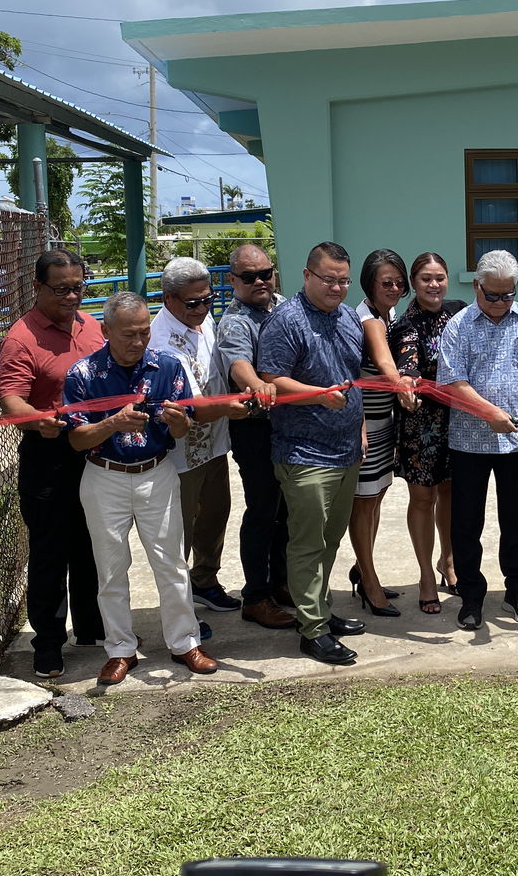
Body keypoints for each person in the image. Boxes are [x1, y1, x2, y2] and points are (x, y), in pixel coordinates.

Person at [65, 292, 218, 686]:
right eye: (129, 334)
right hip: (104, 476)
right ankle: (120, 649)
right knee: (111, 567)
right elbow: (77, 439)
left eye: (145, 332)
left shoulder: (167, 366)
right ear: (105, 331)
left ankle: (185, 642)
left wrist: (177, 421)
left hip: (157, 473)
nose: (138, 342)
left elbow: (184, 427)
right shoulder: (83, 374)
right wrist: (112, 424)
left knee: (170, 563)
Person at [438, 249, 518, 631]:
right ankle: (472, 595)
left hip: (516, 441)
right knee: (466, 522)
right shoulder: (459, 325)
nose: (499, 302)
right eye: (491, 295)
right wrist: (488, 412)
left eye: (506, 294)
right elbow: (451, 381)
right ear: (477, 286)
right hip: (469, 441)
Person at [258, 242, 372, 666]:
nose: (337, 288)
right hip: (304, 452)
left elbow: (353, 379)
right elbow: (270, 379)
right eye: (328, 279)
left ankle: (320, 611)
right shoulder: (286, 321)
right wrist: (318, 398)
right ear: (306, 276)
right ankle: (312, 631)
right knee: (306, 543)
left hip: (346, 450)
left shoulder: (347, 318)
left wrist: (358, 425)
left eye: (343, 280)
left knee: (330, 539)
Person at [0, 249, 106, 680]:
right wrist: (34, 418)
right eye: (61, 289)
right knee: (49, 550)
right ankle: (47, 643)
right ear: (38, 287)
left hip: (93, 448)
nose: (72, 296)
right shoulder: (23, 337)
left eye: (79, 287)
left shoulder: (91, 326)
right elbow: (10, 397)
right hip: (48, 453)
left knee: (91, 542)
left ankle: (91, 627)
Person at [150, 257, 249, 629]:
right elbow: (189, 409)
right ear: (169, 299)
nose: (202, 308)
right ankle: (178, 611)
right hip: (179, 454)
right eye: (193, 302)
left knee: (215, 515)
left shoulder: (202, 318)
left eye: (207, 299)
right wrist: (235, 406)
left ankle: (204, 581)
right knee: (180, 532)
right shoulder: (161, 341)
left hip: (214, 444)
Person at [216, 242, 297, 632]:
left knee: (285, 511)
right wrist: (256, 386)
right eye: (249, 277)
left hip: (287, 424)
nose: (259, 281)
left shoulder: (284, 306)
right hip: (254, 426)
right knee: (263, 510)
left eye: (265, 273)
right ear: (233, 281)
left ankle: (281, 583)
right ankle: (256, 597)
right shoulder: (234, 321)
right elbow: (238, 364)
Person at [389, 251, 466, 614]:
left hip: (458, 421)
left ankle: (448, 561)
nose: (433, 285)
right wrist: (407, 383)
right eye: (425, 279)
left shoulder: (459, 311)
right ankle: (424, 574)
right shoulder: (406, 324)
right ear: (413, 285)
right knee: (423, 499)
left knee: (451, 493)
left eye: (439, 277)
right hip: (421, 425)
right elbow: (407, 363)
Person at [347, 248, 409, 617]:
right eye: (387, 282)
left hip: (384, 420)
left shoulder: (389, 314)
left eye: (399, 282)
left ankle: (363, 566)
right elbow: (385, 366)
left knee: (378, 494)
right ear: (369, 284)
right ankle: (368, 581)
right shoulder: (367, 318)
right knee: (364, 501)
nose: (395, 287)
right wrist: (403, 384)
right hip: (365, 420)